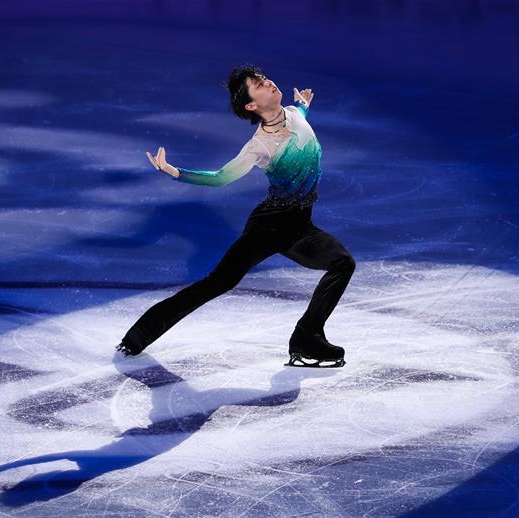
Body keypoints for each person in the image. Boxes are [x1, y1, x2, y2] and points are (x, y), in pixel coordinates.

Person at [116, 64, 356, 368]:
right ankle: (138, 335)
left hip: (301, 226)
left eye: (263, 76)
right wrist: (175, 172)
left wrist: (305, 103)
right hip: (269, 226)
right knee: (218, 282)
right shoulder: (260, 146)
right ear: (252, 106)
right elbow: (219, 178)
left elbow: (299, 116)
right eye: (258, 83)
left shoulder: (293, 114)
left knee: (342, 264)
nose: (267, 80)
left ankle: (307, 337)